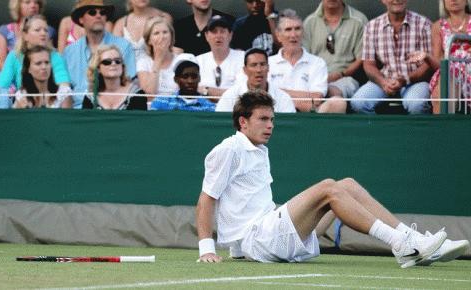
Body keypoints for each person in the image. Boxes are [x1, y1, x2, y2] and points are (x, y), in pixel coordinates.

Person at [196, 89, 470, 267]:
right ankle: (401, 244)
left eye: (272, 119)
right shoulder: (228, 149)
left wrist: (237, 250)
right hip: (260, 240)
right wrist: (207, 248)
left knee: (346, 185)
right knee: (328, 187)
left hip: (269, 235)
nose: (270, 125)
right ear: (243, 122)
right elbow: (206, 199)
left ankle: (414, 240)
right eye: (263, 119)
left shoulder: (258, 149)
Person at [351, 0, 432, 114]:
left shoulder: (424, 24)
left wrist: (405, 80)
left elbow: (428, 64)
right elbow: (369, 64)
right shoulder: (372, 26)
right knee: (358, 102)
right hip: (384, 80)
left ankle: (413, 132)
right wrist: (383, 82)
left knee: (416, 104)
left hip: (415, 81)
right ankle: (379, 131)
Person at [269, 9, 346, 113]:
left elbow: (317, 98)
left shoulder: (317, 63)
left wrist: (279, 92)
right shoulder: (268, 63)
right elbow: (264, 97)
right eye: (288, 29)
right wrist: (304, 100)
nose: (293, 34)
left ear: (303, 33)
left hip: (308, 117)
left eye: (297, 29)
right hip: (275, 116)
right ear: (278, 35)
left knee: (338, 102)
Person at [63, 0, 136, 109]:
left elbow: (129, 82)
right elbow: (64, 89)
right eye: (92, 12)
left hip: (113, 109)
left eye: (102, 13)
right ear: (81, 19)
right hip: (77, 113)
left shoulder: (124, 46)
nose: (98, 16)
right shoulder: (69, 51)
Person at [408, 0, 471, 114]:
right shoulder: (438, 26)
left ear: (467, 1)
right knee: (442, 86)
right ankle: (442, 129)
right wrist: (426, 56)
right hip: (451, 71)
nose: (453, 0)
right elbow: (439, 63)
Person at [0, 14, 71, 109]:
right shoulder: (14, 55)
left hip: (52, 106)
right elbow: (2, 86)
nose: (43, 33)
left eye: (46, 30)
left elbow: (64, 86)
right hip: (24, 105)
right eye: (37, 30)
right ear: (25, 35)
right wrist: (4, 113)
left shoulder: (55, 56)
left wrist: (52, 103)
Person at [303, 0, 368, 104]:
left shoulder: (359, 20)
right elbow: (303, 56)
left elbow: (362, 57)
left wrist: (341, 74)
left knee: (332, 95)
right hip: (313, 78)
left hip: (345, 78)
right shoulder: (309, 22)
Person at [137, 17, 196, 105]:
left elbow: (190, 93)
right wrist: (158, 59)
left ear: (171, 36)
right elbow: (149, 96)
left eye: (165, 32)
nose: (162, 37)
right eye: (156, 33)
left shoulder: (182, 60)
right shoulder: (143, 62)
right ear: (149, 40)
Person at [215, 48, 295, 113]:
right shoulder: (230, 96)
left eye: (262, 64)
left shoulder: (283, 98)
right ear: (244, 70)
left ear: (268, 68)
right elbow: (220, 125)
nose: (259, 70)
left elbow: (289, 128)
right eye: (253, 65)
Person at [0, 0, 56, 82]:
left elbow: (51, 59)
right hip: (9, 77)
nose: (33, 5)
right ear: (18, 6)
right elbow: (1, 65)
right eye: (27, 2)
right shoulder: (4, 31)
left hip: (38, 77)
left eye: (36, 2)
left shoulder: (47, 31)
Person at [196, 15, 246, 100]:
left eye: (222, 31)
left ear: (230, 35)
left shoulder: (244, 58)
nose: (218, 36)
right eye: (214, 32)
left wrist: (206, 91)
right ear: (206, 36)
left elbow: (242, 93)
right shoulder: (197, 61)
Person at [82, 44, 146, 110]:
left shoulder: (137, 94)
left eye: (117, 61)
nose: (113, 64)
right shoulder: (90, 97)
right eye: (107, 62)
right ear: (98, 68)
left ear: (122, 66)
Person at [150, 59, 215, 111]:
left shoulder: (209, 107)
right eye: (185, 76)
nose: (190, 81)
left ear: (199, 78)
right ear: (176, 79)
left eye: (194, 76)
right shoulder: (161, 102)